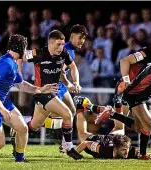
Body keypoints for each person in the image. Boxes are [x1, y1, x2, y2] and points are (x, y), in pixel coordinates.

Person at [0, 34, 57, 162]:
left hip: (3, 102)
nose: (26, 51)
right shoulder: (6, 63)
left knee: (22, 128)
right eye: (25, 47)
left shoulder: (13, 63)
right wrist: (1, 109)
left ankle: (20, 159)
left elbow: (21, 84)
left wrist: (40, 89)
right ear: (20, 48)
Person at [11, 30, 83, 160]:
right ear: (49, 44)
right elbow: (19, 55)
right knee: (67, 113)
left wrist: (75, 82)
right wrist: (19, 75)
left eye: (62, 44)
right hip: (42, 93)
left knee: (35, 125)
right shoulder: (39, 53)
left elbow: (73, 67)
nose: (61, 47)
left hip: (52, 93)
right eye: (58, 44)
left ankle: (16, 135)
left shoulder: (63, 53)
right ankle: (69, 147)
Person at [56, 24, 88, 152]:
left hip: (61, 86)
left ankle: (65, 144)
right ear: (72, 36)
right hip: (53, 85)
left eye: (84, 38)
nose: (82, 41)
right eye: (80, 37)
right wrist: (70, 84)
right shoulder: (66, 50)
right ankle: (21, 125)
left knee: (71, 111)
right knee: (46, 118)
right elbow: (60, 72)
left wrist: (76, 82)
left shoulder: (72, 51)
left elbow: (73, 68)